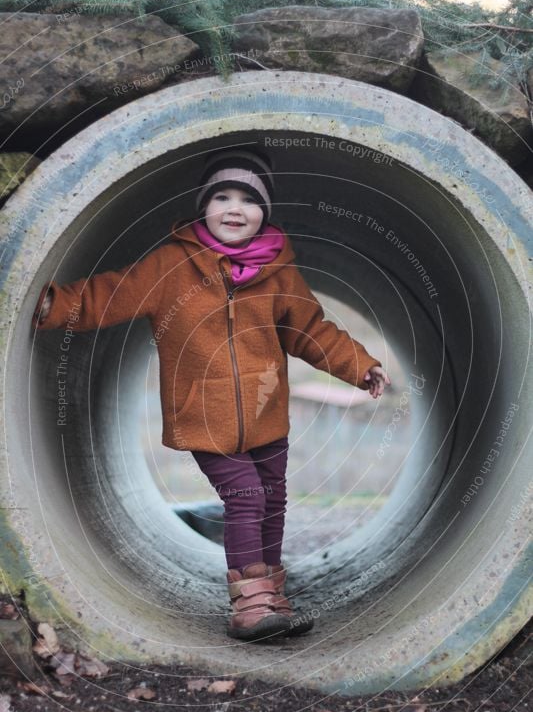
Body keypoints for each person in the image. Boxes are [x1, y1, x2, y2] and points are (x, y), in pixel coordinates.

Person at [33, 148, 390, 643]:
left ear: (265, 211)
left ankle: (271, 594)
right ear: (204, 205)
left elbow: (310, 330)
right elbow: (112, 294)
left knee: (273, 500)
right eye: (222, 195)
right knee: (245, 497)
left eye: (249, 198)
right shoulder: (172, 265)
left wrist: (359, 365)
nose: (234, 207)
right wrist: (51, 304)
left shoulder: (279, 273)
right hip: (203, 415)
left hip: (268, 415)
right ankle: (249, 605)